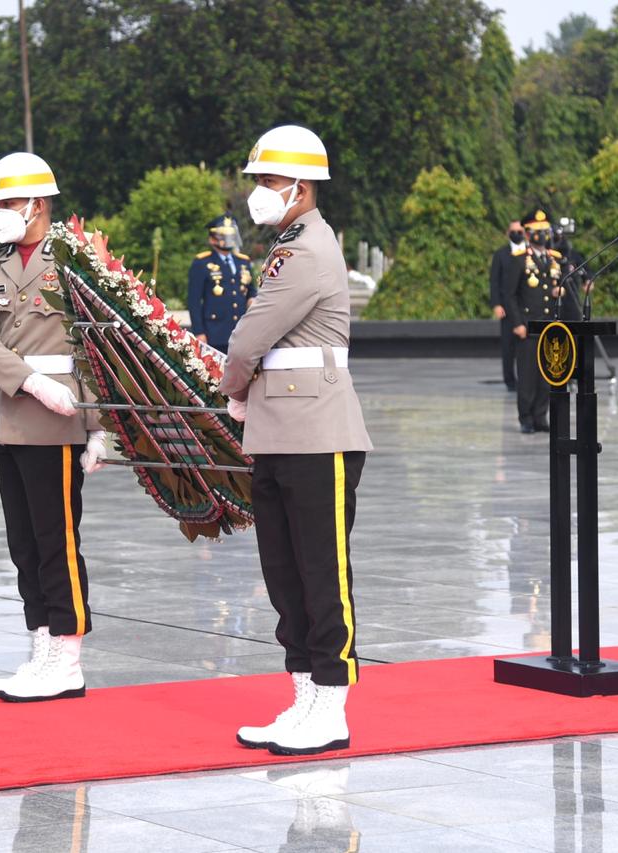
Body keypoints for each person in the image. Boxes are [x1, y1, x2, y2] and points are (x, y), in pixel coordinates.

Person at [221, 124, 373, 756]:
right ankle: (304, 695)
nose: (257, 192)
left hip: (318, 432)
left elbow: (251, 337)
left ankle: (331, 703)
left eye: (268, 182)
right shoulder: (290, 242)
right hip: (280, 429)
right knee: (284, 573)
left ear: (301, 187)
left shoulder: (308, 248)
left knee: (321, 572)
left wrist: (231, 385)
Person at [0, 152, 106, 702]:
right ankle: (41, 648)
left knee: (57, 544)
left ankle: (68, 657)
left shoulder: (74, 260)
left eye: (7, 203)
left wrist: (99, 427)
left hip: (64, 425)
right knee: (24, 544)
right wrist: (30, 382)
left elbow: (98, 349)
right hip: (16, 421)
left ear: (37, 205)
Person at [504, 209, 564, 433]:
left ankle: (541, 415)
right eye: (537, 232)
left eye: (545, 231)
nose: (542, 236)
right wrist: (517, 323)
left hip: (548, 326)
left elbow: (552, 290)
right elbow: (509, 295)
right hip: (528, 326)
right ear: (528, 234)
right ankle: (526, 417)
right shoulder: (519, 261)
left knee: (545, 375)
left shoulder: (552, 260)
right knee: (527, 375)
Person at [188, 214, 256, 353]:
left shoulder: (244, 262)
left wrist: (253, 304)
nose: (228, 241)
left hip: (242, 332)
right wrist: (199, 332)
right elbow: (193, 301)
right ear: (212, 239)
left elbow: (251, 291)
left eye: (231, 236)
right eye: (224, 237)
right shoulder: (202, 262)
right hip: (214, 333)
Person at [488, 221, 525, 391]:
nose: (517, 233)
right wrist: (496, 304)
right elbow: (494, 281)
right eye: (514, 231)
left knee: (527, 347)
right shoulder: (501, 254)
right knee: (508, 347)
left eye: (520, 231)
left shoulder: (530, 253)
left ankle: (528, 378)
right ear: (507, 232)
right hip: (507, 307)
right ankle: (510, 381)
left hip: (526, 306)